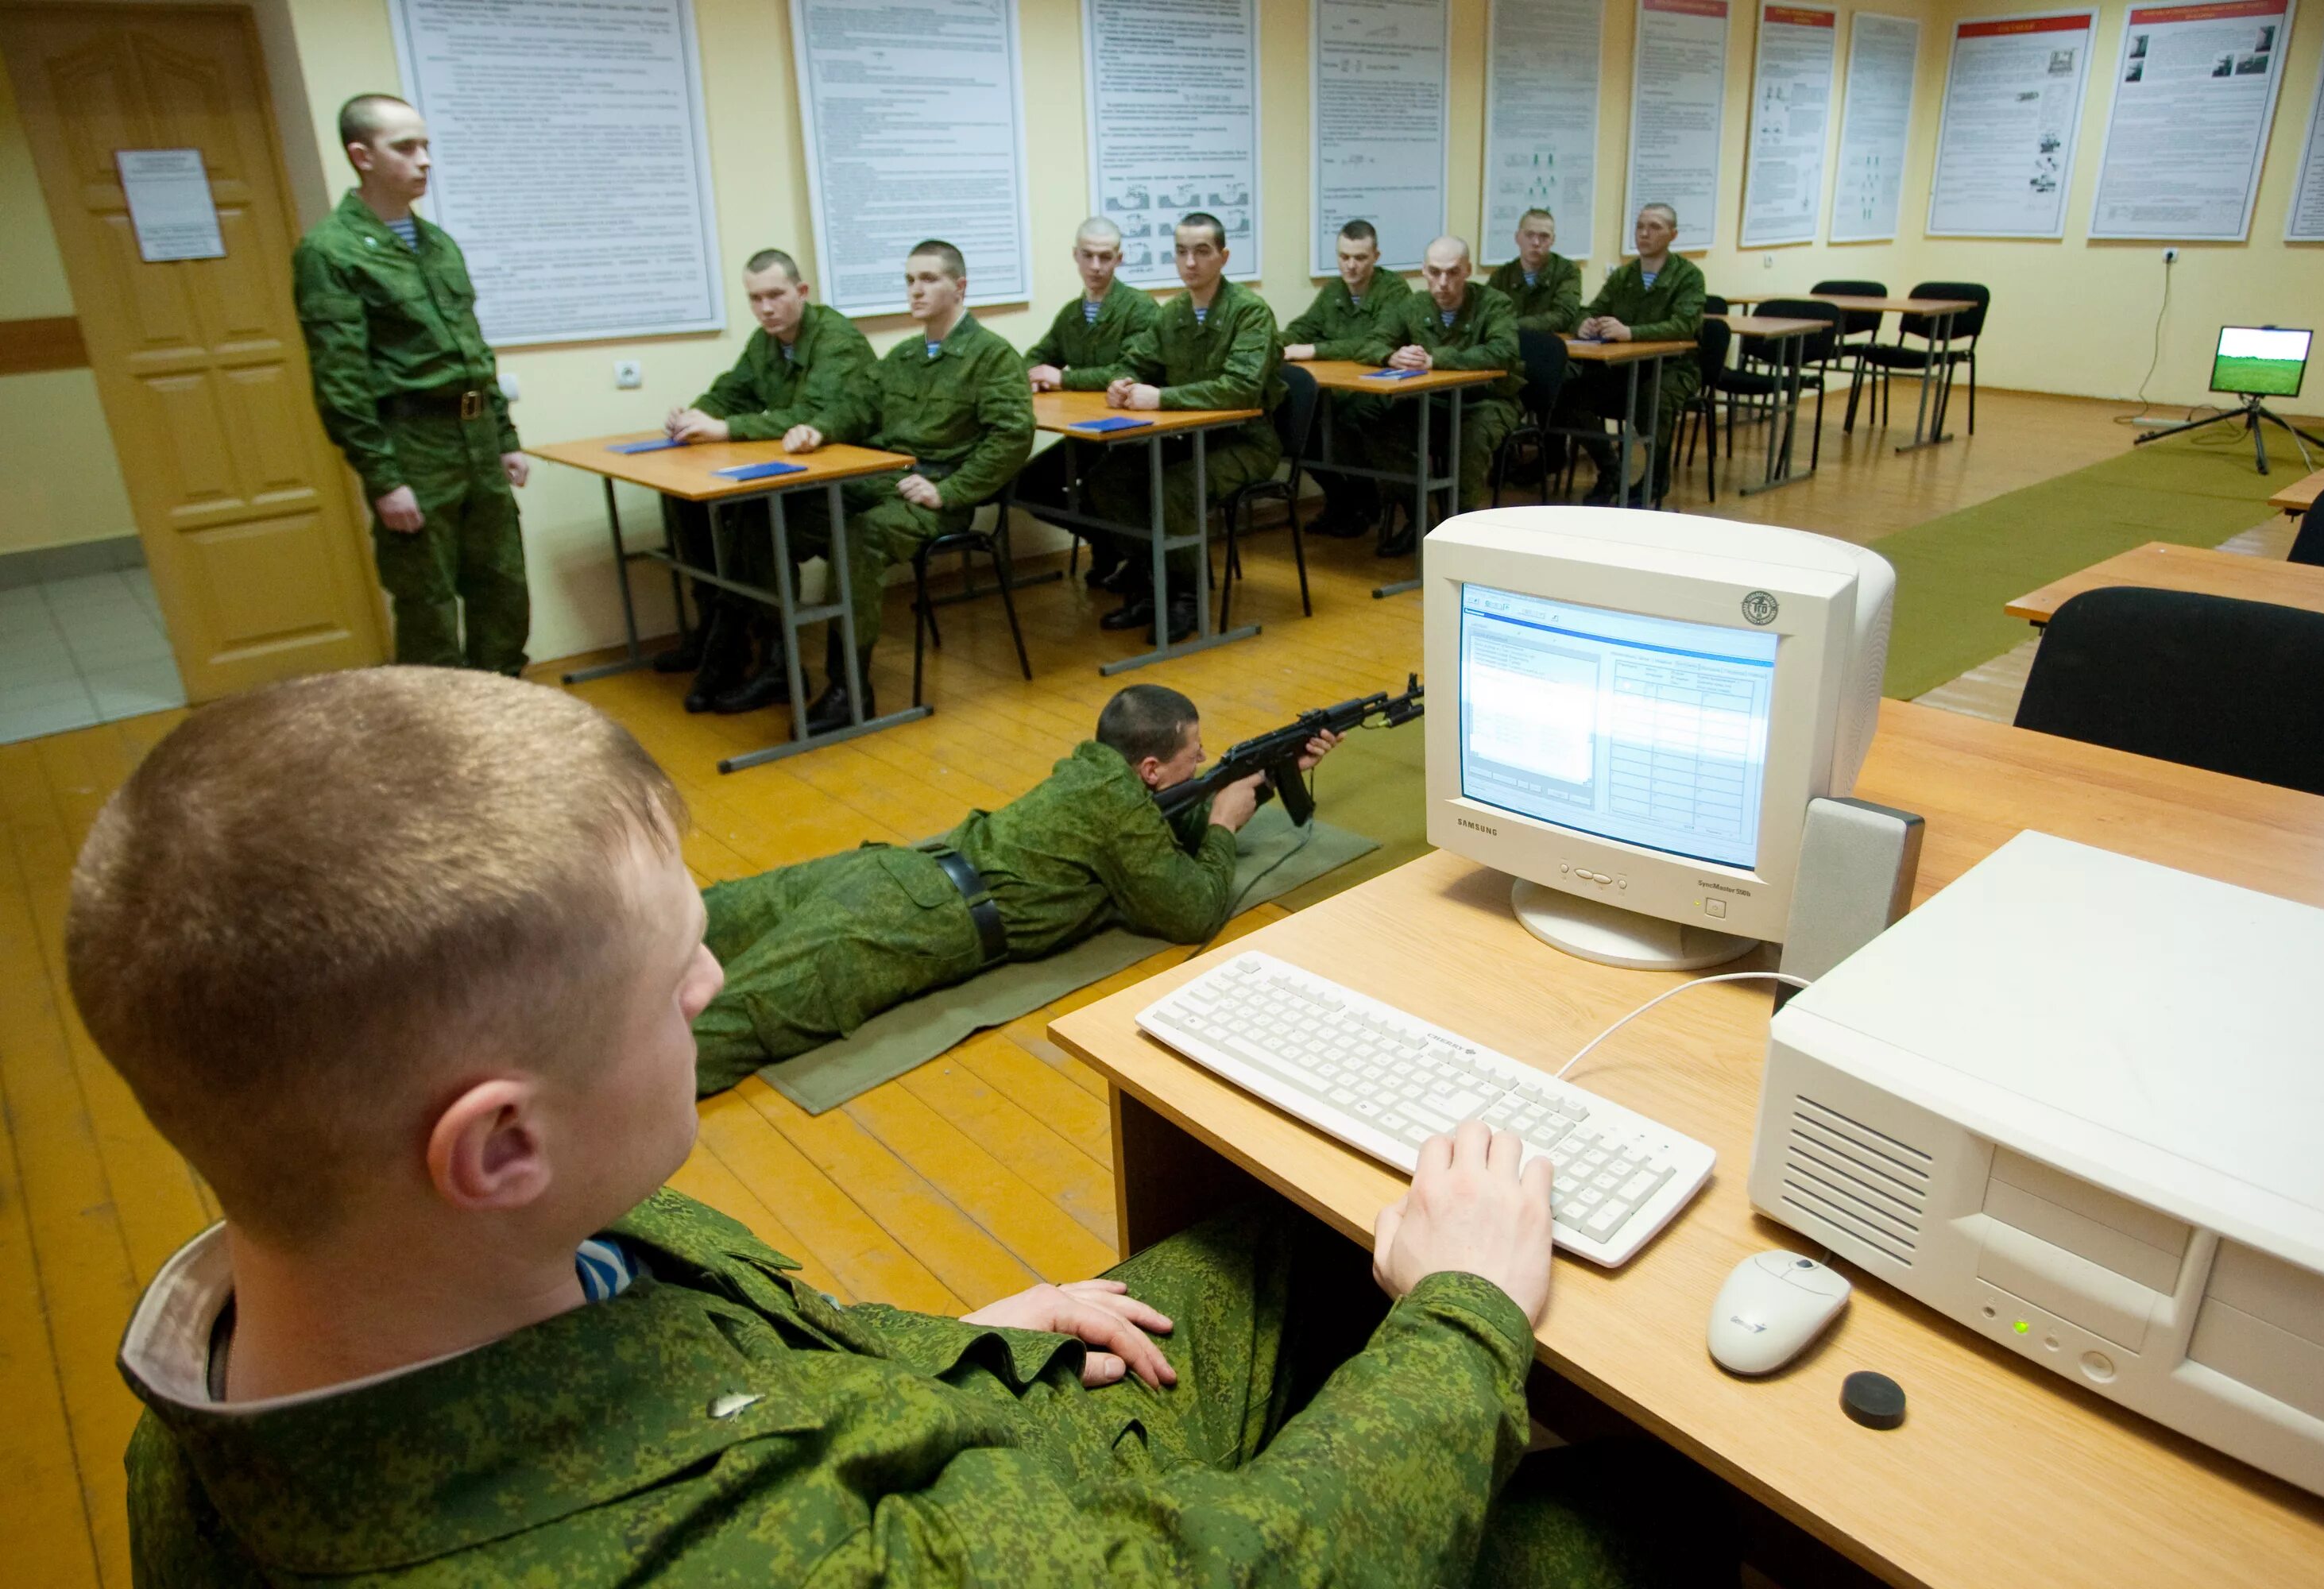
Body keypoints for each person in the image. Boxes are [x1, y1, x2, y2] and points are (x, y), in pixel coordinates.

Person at [75, 666, 1734, 1586]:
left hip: (957, 1412)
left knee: (1292, 1239)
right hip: (1081, 1527)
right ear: (500, 1143)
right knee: (1645, 1517)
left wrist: (954, 1336)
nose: (719, 980)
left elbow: (708, 1352)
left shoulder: (320, 1317)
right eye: (676, 978)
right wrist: (1461, 1327)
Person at [694, 682, 1337, 1094]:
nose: (1202, 761)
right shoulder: (1120, 806)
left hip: (899, 869)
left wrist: (1266, 777)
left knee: (703, 918)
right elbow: (1193, 910)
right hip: (917, 922)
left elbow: (1153, 820)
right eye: (1193, 752)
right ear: (1148, 767)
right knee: (723, 1028)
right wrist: (1224, 825)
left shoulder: (1096, 773)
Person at [292, 94, 532, 675]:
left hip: (475, 436)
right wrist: (384, 477)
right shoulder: (330, 251)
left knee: (502, 585)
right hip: (414, 442)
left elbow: (473, 350)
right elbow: (340, 378)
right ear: (361, 156)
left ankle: (505, 712)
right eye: (405, 147)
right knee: (427, 598)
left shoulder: (438, 246)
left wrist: (504, 435)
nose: (424, 160)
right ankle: (436, 738)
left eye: (426, 146)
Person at [782, 242, 1033, 731]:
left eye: (928, 279)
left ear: (959, 287)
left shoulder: (992, 357)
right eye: (910, 280)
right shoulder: (905, 354)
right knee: (786, 512)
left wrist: (952, 491)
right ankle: (771, 662)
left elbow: (1012, 437)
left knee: (859, 536)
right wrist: (821, 429)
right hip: (884, 478)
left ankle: (849, 688)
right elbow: (860, 405)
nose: (915, 290)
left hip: (938, 494)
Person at [654, 250, 875, 715]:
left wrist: (729, 429)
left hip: (848, 484)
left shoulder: (836, 341)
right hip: (793, 478)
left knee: (757, 523)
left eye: (776, 295)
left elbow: (814, 415)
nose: (766, 308)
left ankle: (768, 659)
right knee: (689, 504)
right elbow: (730, 390)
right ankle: (725, 639)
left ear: (802, 292)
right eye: (756, 299)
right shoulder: (765, 342)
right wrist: (697, 415)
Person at [1074, 213, 1286, 645]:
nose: (1190, 262)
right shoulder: (1173, 312)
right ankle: (1156, 583)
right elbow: (1136, 361)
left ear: (1223, 257)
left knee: (1175, 489)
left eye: (1202, 251)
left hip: (1245, 440)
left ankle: (1187, 597)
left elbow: (1242, 390)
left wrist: (1163, 398)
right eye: (1182, 251)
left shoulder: (1249, 312)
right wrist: (1123, 383)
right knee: (1108, 480)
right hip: (1190, 438)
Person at [1016, 218, 1162, 592]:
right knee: (1027, 485)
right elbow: (1040, 354)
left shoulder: (1140, 309)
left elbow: (1127, 370)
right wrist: (1025, 374)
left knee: (1103, 486)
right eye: (1088, 256)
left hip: (1129, 434)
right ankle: (1107, 541)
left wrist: (1063, 378)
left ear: (1119, 259)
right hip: (1088, 431)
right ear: (1075, 256)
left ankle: (1130, 552)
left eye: (1105, 257)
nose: (1096, 267)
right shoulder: (1071, 313)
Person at [1359, 236, 1524, 548]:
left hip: (1486, 401)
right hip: (1432, 402)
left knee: (1470, 442)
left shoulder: (1494, 303)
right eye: (1435, 273)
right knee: (1373, 421)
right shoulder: (1412, 305)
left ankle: (1460, 536)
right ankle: (1423, 521)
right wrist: (1389, 356)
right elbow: (1371, 341)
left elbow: (1504, 351)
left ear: (1468, 271)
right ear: (1423, 271)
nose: (1443, 283)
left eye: (1453, 272)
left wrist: (1438, 359)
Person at [1281, 218, 1413, 538]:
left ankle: (1368, 500)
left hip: (1379, 393)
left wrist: (1311, 350)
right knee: (1297, 424)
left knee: (1353, 422)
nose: (1350, 266)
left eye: (1360, 258)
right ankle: (1343, 500)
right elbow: (1302, 328)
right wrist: (1276, 344)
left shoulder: (1394, 290)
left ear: (1376, 256)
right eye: (1344, 257)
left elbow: (1374, 343)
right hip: (1338, 392)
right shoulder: (1334, 291)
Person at [1569, 203, 1706, 505]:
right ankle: (1610, 468)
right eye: (1640, 226)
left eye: (1655, 227)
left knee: (1651, 399)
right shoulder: (1625, 275)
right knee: (1571, 396)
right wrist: (1585, 323)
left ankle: (1655, 481)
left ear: (1673, 235)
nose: (1644, 233)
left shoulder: (1688, 276)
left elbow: (1684, 325)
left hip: (1672, 367)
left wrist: (1631, 332)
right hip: (1624, 367)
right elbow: (1591, 308)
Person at [1484, 209, 1583, 335]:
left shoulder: (1567, 271)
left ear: (1553, 240)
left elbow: (1563, 316)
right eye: (1529, 235)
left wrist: (1511, 324)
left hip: (1551, 346)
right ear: (1517, 238)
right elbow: (1486, 316)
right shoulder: (1502, 276)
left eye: (1544, 237)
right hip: (1510, 347)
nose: (1536, 243)